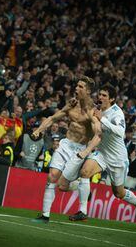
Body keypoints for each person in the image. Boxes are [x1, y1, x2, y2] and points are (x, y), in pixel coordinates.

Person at [69, 84, 136, 221]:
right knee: (85, 172)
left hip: (117, 158)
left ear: (112, 99)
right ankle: (82, 211)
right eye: (100, 94)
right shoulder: (96, 109)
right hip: (102, 153)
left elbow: (120, 132)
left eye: (104, 95)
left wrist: (102, 118)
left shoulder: (116, 112)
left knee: (118, 193)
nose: (101, 97)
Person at [31, 76, 101, 223]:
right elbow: (52, 118)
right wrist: (39, 130)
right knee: (51, 177)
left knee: (63, 186)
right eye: (77, 86)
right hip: (65, 145)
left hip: (79, 150)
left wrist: (89, 149)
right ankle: (45, 215)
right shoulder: (71, 105)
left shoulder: (93, 111)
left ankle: (79, 186)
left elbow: (98, 133)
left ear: (88, 91)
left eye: (81, 87)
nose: (76, 88)